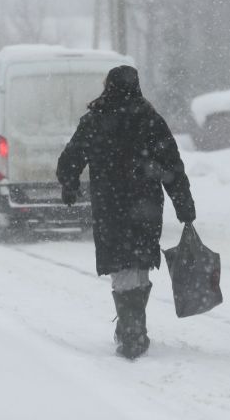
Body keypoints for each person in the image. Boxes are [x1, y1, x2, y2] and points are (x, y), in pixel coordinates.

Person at [56, 65, 195, 359]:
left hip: (110, 207)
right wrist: (184, 206)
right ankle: (134, 328)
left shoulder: (95, 120)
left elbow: (71, 157)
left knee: (120, 264)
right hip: (145, 206)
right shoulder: (150, 121)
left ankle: (130, 330)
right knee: (140, 261)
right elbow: (172, 167)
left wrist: (69, 184)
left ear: (109, 86)